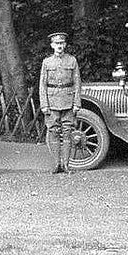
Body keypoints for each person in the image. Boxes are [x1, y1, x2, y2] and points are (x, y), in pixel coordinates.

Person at [39, 32, 81, 174]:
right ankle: (57, 164)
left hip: (68, 101)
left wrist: (77, 103)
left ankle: (66, 165)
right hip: (52, 102)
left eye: (62, 43)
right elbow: (42, 85)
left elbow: (77, 83)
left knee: (67, 132)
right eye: (57, 44)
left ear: (65, 45)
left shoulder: (72, 61)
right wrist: (44, 105)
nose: (60, 46)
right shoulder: (47, 62)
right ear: (52, 45)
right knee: (54, 132)